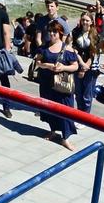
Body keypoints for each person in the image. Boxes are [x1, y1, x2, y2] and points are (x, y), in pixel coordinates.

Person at [34, 20, 80, 151]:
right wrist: (48, 66)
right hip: (47, 84)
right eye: (50, 31)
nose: (52, 34)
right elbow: (38, 62)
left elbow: (75, 66)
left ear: (60, 33)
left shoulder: (67, 48)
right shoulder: (44, 47)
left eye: (55, 32)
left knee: (65, 110)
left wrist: (63, 67)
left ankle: (65, 138)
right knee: (49, 108)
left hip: (62, 85)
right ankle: (53, 130)